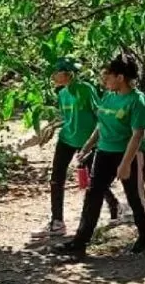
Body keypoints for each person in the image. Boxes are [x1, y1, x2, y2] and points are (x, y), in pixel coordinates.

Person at [54, 54, 145, 259]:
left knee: (135, 196)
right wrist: (87, 147)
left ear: (120, 77)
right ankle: (80, 241)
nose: (104, 80)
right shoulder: (109, 96)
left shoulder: (137, 100)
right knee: (93, 194)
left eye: (107, 76)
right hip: (104, 151)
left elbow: (137, 135)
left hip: (130, 154)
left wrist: (126, 164)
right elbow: (100, 125)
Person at [31, 57, 121, 239]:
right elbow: (67, 117)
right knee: (56, 178)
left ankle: (114, 206)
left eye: (57, 72)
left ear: (67, 73)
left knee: (95, 180)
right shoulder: (62, 93)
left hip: (86, 141)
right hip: (66, 139)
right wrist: (53, 126)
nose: (54, 76)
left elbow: (99, 114)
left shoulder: (86, 89)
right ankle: (57, 222)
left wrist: (100, 139)